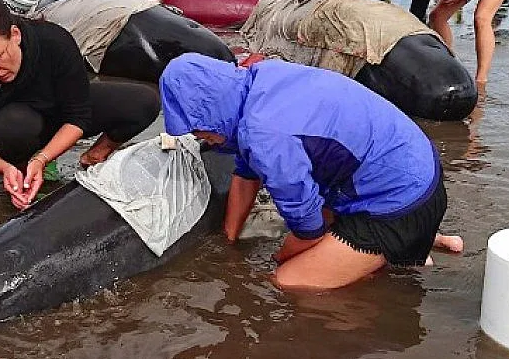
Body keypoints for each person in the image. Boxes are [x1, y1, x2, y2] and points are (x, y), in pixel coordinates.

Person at [159, 53, 464, 291]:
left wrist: (276, 259)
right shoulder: (259, 80)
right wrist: (229, 241)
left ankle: (391, 254)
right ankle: (423, 245)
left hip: (402, 205)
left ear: (209, 116)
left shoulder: (265, 137)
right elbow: (246, 172)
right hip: (416, 171)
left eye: (197, 129)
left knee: (287, 281)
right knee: (321, 223)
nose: (199, 137)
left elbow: (307, 227)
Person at [0, 0, 160, 210]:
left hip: (61, 112)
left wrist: (42, 158)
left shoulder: (54, 41)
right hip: (21, 126)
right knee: (13, 125)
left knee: (145, 101)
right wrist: (4, 168)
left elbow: (78, 115)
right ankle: (23, 175)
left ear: (15, 35)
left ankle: (95, 156)